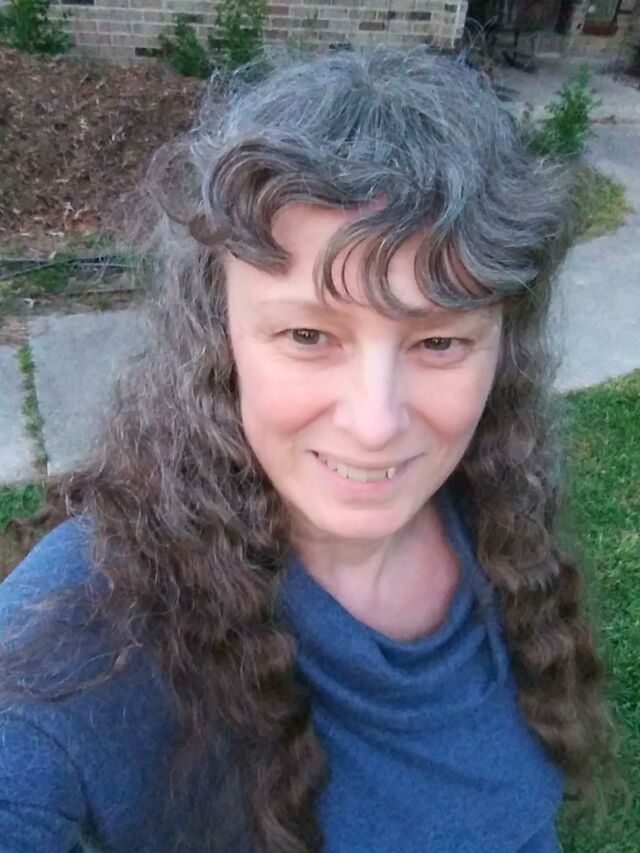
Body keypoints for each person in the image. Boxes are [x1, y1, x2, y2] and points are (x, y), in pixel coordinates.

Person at [0, 46, 622, 853]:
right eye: (306, 334)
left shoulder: (499, 520)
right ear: (219, 334)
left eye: (439, 341)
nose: (376, 422)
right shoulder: (87, 629)